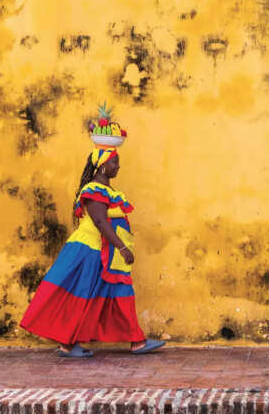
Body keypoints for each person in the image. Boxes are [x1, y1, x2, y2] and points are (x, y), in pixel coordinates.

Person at [19, 117, 165, 357]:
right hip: (91, 250)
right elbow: (99, 222)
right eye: (115, 162)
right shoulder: (94, 191)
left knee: (121, 294)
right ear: (103, 166)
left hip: (108, 253)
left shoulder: (108, 190)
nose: (118, 167)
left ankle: (137, 341)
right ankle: (67, 344)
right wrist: (122, 247)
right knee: (82, 295)